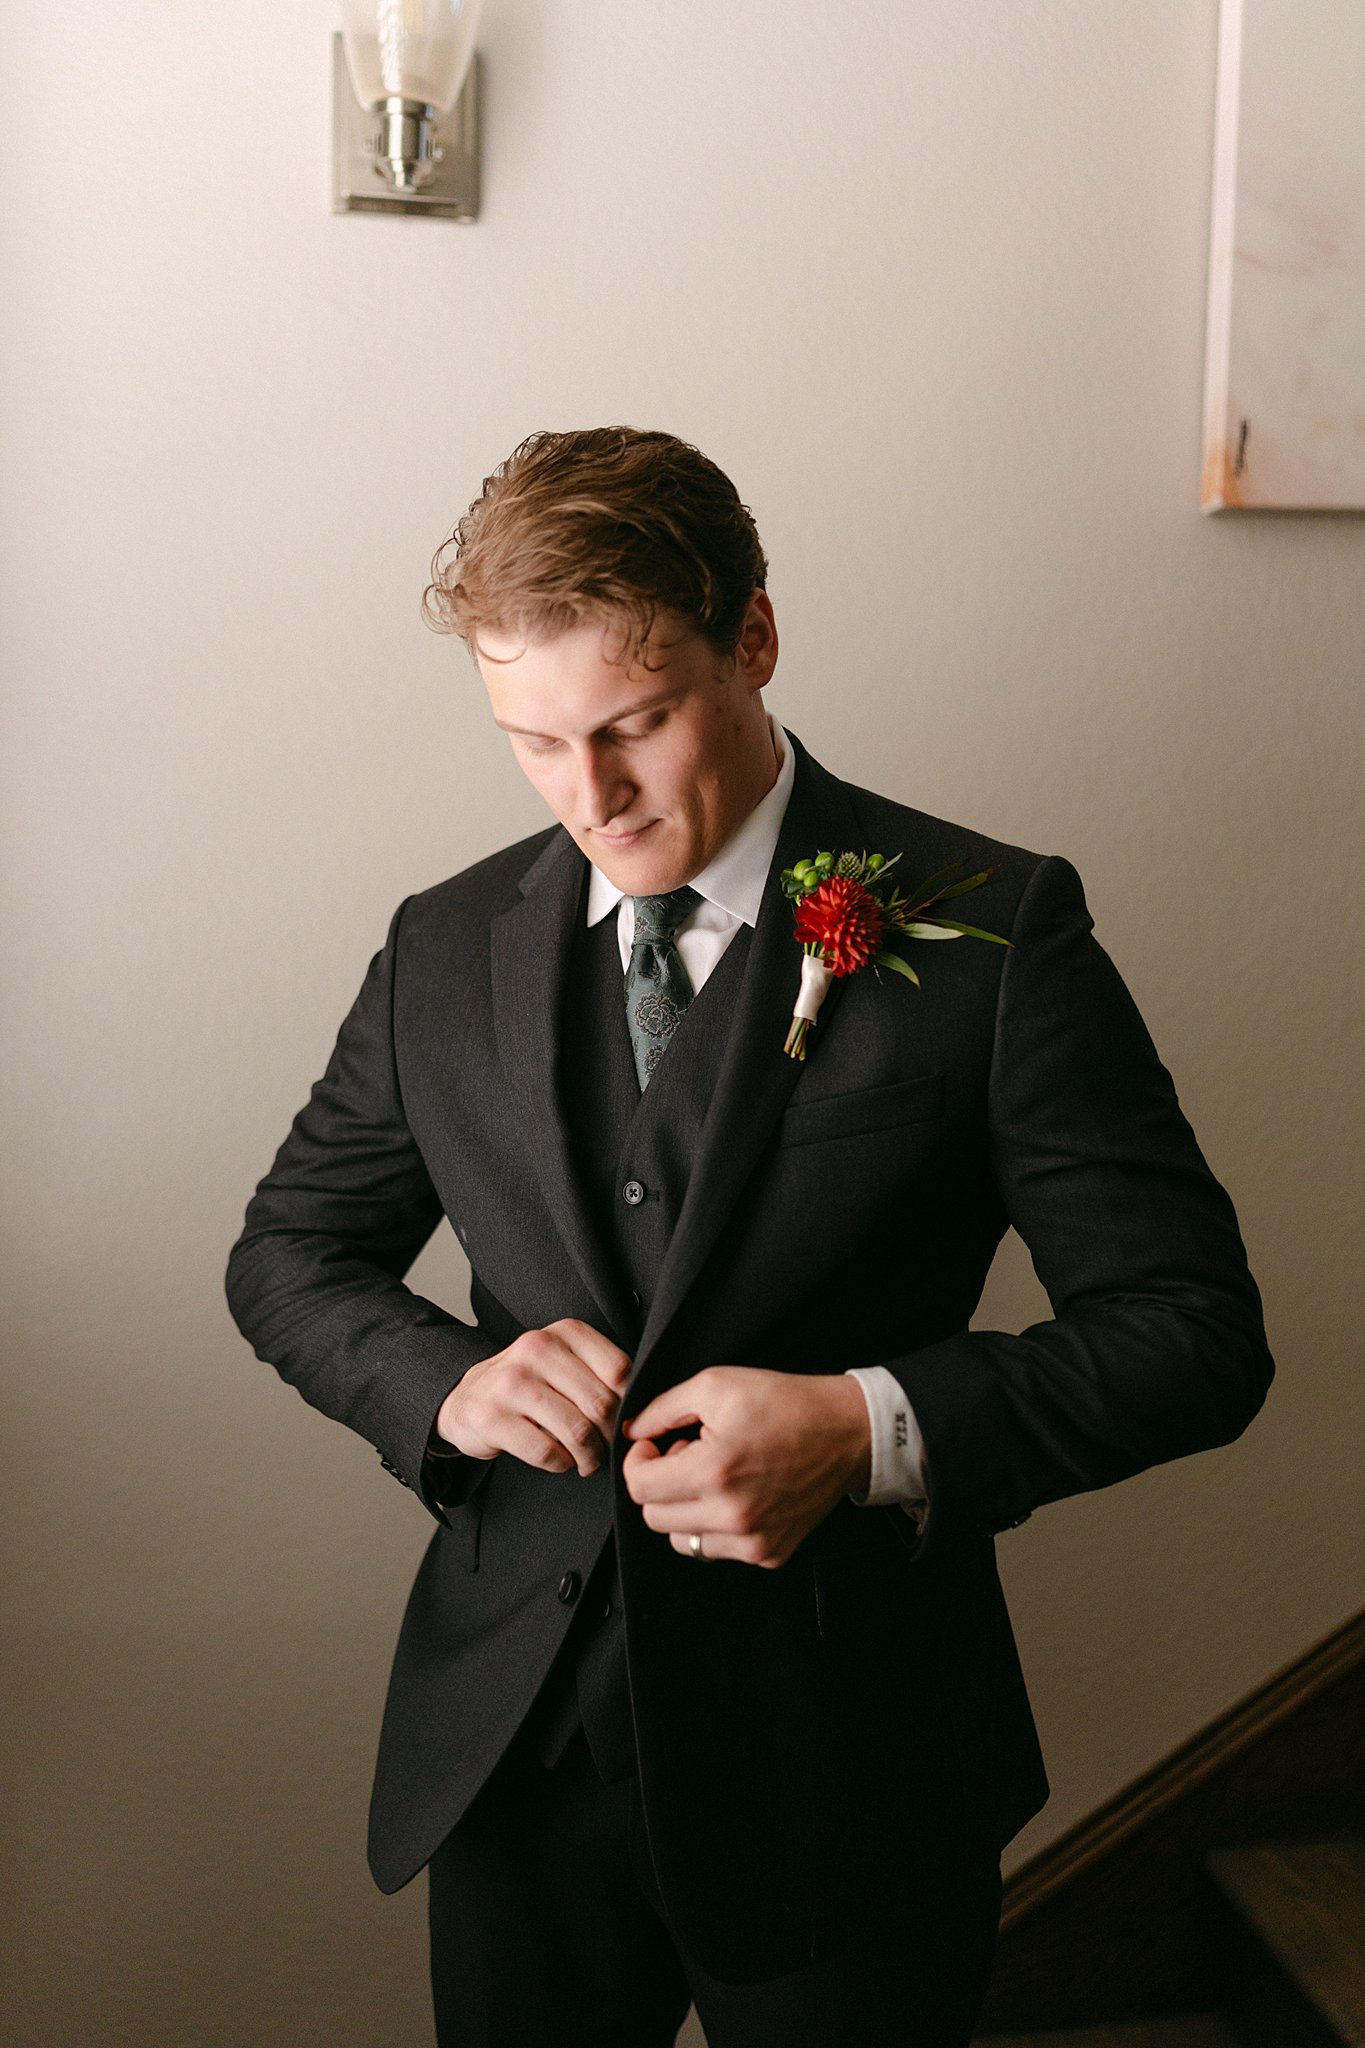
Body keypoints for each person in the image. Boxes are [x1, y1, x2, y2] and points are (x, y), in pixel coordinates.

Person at [224, 425, 1274, 2048]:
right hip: (516, 1751)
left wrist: (869, 1429)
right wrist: (443, 1385)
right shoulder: (442, 945)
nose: (592, 797)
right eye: (533, 740)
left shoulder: (994, 929)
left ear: (755, 639)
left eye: (635, 724)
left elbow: (1190, 1330)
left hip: (851, 1769)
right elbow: (290, 1253)